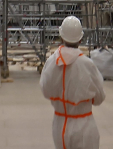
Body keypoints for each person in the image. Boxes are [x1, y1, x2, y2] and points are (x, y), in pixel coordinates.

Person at [40, 16, 106, 149]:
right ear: (80, 39)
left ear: (61, 36)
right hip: (83, 124)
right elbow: (99, 98)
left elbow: (45, 90)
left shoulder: (52, 62)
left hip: (59, 124)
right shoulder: (87, 64)